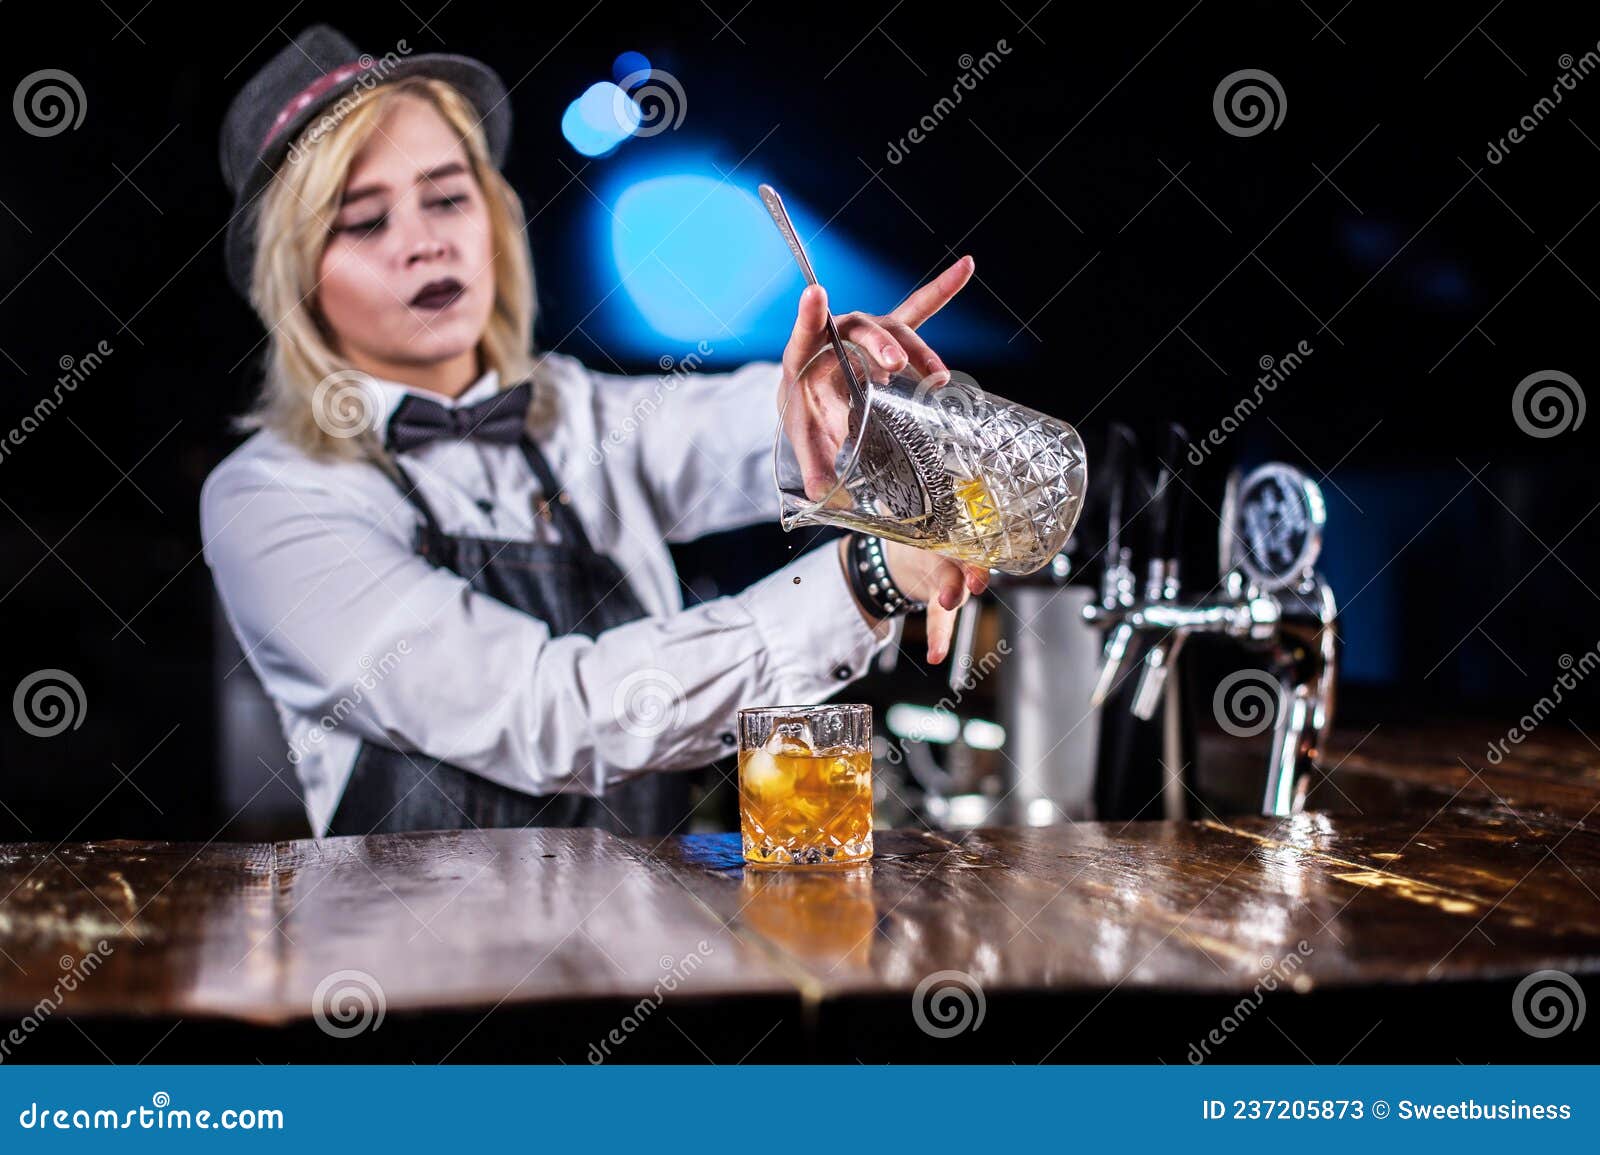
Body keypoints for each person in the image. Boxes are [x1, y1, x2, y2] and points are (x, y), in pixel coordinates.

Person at [202, 25, 986, 839]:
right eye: (364, 221)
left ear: (492, 217)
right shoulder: (267, 499)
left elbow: (744, 431)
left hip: (641, 958)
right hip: (419, 965)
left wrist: (843, 402)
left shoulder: (577, 416)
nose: (425, 241)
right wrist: (864, 578)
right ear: (296, 278)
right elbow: (549, 714)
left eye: (447, 197)